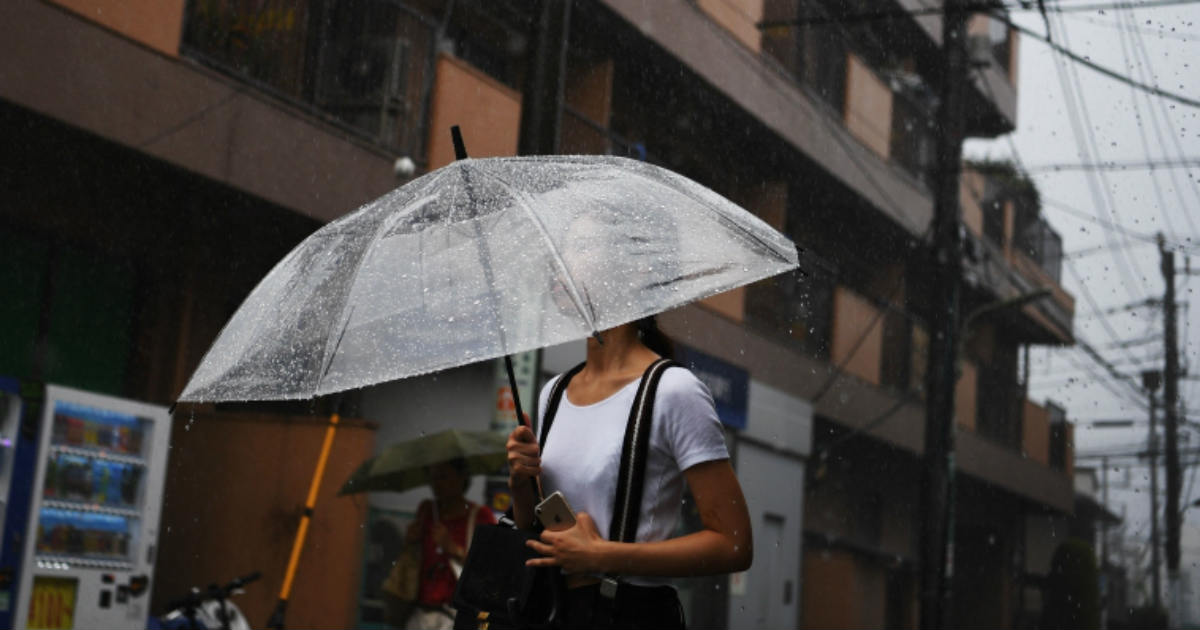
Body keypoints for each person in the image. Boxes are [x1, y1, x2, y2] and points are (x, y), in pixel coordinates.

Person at [505, 316, 753, 629]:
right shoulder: (553, 392)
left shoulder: (674, 390)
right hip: (550, 608)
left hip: (628, 612)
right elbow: (531, 527)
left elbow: (733, 544)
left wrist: (603, 556)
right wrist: (519, 481)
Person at [397, 458, 496, 630]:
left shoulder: (480, 516)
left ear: (462, 477)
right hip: (421, 611)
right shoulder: (427, 510)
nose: (436, 484)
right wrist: (410, 541)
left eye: (443, 476)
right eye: (433, 477)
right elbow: (415, 558)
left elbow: (490, 568)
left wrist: (452, 548)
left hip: (457, 614)